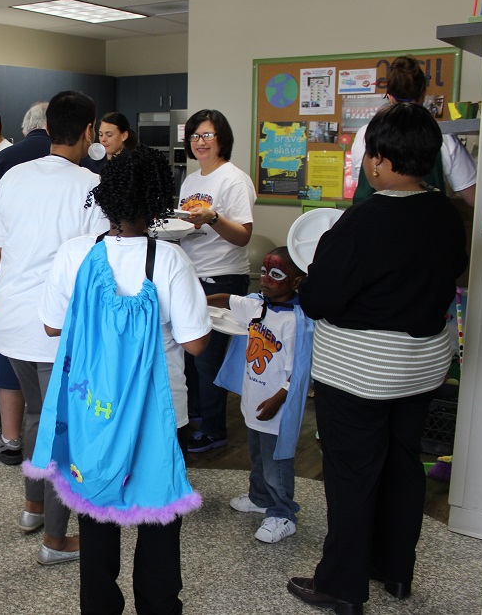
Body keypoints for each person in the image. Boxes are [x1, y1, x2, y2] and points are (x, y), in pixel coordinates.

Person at [289, 103, 467, 613]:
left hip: (361, 372)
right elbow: (451, 272)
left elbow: (320, 299)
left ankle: (342, 586)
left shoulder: (361, 221)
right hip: (421, 367)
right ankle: (395, 571)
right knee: (402, 463)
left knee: (353, 473)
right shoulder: (449, 215)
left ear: (381, 161)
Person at [32, 147, 208, 614]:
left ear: (104, 196)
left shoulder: (75, 253)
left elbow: (51, 326)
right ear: (158, 203)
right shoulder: (169, 260)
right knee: (158, 521)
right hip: (160, 411)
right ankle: (157, 605)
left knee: (95, 515)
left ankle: (100, 606)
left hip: (94, 408)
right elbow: (195, 345)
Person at [0, 90, 109, 565]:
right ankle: (56, 541)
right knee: (61, 428)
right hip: (55, 326)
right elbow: (100, 258)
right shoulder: (89, 186)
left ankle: (33, 509)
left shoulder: (14, 176)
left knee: (36, 416)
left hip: (12, 320)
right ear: (87, 132)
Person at [210, 246, 313, 545]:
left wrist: (278, 398)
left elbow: (298, 371)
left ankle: (283, 512)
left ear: (295, 282)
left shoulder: (295, 322)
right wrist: (196, 301)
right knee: (257, 454)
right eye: (265, 272)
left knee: (276, 461)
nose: (266, 279)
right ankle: (259, 498)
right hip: (254, 399)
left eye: (276, 274)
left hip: (275, 407)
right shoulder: (258, 305)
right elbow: (228, 301)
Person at [176, 109, 256, 453]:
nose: (200, 142)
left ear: (222, 138)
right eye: (194, 136)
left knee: (209, 359)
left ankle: (214, 429)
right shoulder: (192, 180)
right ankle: (194, 417)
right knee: (189, 354)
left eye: (207, 135)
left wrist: (213, 218)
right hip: (190, 275)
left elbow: (243, 236)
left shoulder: (234, 179)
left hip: (223, 277)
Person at [0, 102, 50, 465]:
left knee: (9, 352)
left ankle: (10, 440)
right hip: (63, 280)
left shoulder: (3, 161)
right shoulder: (83, 162)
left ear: (26, 128)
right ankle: (58, 442)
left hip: (11, 274)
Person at [350, 55, 476, 206]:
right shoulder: (443, 136)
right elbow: (475, 199)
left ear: (390, 97)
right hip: (426, 224)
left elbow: (361, 186)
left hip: (374, 223)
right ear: (423, 94)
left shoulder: (365, 134)